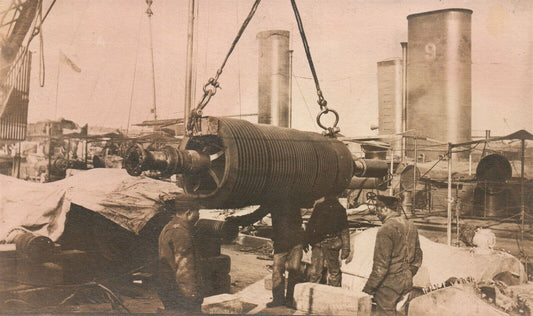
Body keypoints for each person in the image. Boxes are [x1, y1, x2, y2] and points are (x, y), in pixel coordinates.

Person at [226, 200, 305, 308]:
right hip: (286, 242)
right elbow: (255, 215)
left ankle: (287, 300)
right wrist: (236, 220)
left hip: (293, 242)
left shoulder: (283, 199)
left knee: (288, 271)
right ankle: (281, 300)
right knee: (283, 271)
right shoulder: (281, 200)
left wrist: (236, 220)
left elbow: (255, 216)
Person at [362, 195, 423, 316]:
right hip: (407, 280)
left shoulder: (385, 229)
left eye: (378, 209)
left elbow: (380, 267)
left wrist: (368, 290)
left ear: (385, 209)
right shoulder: (411, 226)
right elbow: (418, 257)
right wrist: (408, 273)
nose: (376, 214)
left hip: (389, 284)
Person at [156, 196, 204, 313]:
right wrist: (192, 295)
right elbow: (184, 269)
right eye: (198, 211)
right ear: (189, 213)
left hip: (168, 287)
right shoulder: (181, 233)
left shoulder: (170, 226)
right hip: (180, 292)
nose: (199, 215)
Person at [305, 194, 351, 287]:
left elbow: (344, 230)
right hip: (319, 244)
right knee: (316, 272)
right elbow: (310, 226)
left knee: (332, 272)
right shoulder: (320, 207)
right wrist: (307, 240)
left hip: (331, 244)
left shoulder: (340, 209)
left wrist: (346, 249)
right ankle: (312, 295)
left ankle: (332, 296)